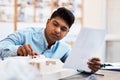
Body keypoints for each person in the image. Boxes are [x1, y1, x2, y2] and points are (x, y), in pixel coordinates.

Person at [0, 7, 100, 72]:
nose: (57, 30)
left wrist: (89, 66)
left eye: (63, 29)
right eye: (55, 24)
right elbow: (1, 46)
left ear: (67, 33)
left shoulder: (64, 49)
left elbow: (75, 63)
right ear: (48, 22)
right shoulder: (25, 34)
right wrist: (17, 50)